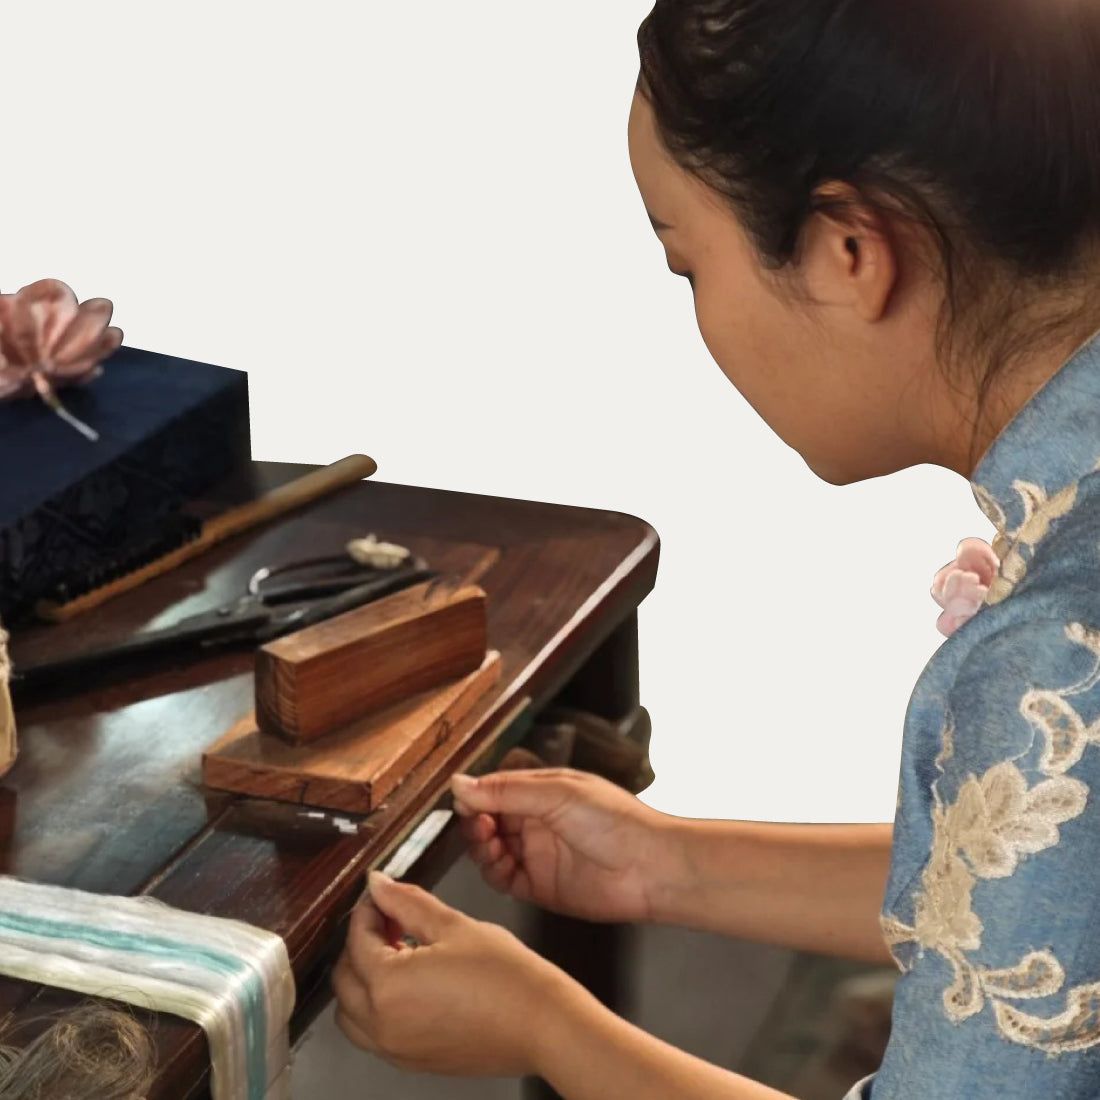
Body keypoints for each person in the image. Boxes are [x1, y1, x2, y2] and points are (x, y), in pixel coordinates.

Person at [331, 0, 1100, 1096]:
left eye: (687, 265)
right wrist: (666, 862)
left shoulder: (1054, 655)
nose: (697, 312)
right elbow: (1044, 896)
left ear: (847, 252)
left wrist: (548, 1028)